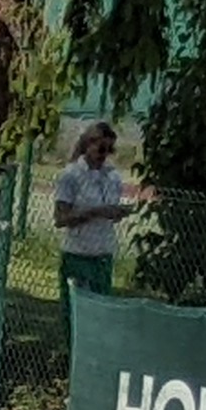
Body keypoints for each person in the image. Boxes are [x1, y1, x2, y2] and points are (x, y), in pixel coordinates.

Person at [54, 121, 146, 294]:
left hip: (103, 253)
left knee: (100, 303)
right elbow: (60, 219)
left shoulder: (112, 177)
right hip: (78, 253)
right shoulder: (71, 175)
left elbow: (110, 211)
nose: (104, 155)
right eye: (101, 149)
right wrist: (94, 212)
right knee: (76, 305)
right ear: (88, 145)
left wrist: (118, 212)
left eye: (109, 150)